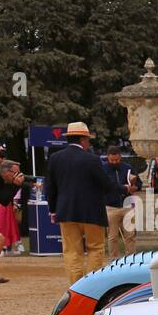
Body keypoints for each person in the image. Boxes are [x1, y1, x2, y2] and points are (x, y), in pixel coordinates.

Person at [46, 122, 122, 284]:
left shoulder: (55, 158)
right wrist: (123, 188)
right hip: (92, 212)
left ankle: (75, 286)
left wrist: (53, 210)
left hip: (66, 211)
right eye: (88, 139)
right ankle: (91, 285)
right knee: (95, 248)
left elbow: (50, 187)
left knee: (72, 251)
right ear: (82, 140)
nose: (89, 143)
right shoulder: (92, 160)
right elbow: (106, 184)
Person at [101, 146, 141, 258]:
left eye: (117, 160)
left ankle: (131, 260)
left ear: (120, 157)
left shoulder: (128, 168)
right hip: (110, 207)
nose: (114, 162)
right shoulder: (103, 169)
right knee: (112, 237)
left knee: (130, 235)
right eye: (112, 160)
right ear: (107, 157)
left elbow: (139, 183)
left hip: (127, 206)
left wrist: (135, 187)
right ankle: (113, 261)